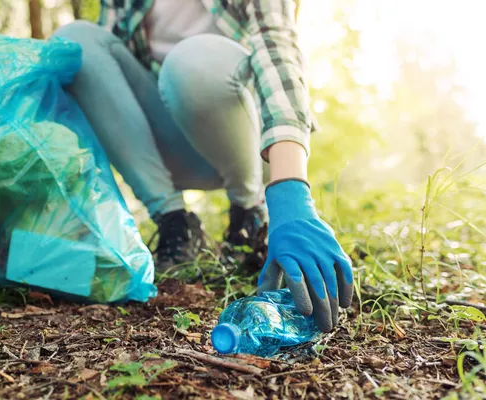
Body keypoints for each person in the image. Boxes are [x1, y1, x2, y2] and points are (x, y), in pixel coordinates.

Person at [53, 0, 353, 332]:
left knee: (191, 60)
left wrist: (291, 190)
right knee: (75, 41)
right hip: (168, 141)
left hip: (251, 139)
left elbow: (277, 49)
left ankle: (249, 214)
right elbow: (103, 78)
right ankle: (174, 222)